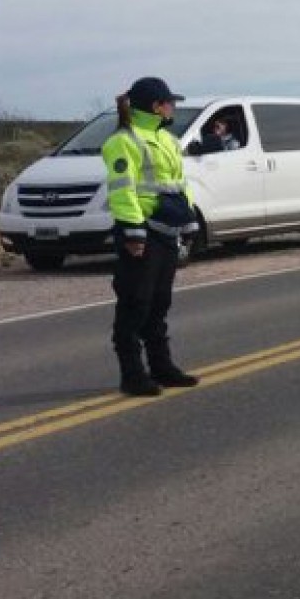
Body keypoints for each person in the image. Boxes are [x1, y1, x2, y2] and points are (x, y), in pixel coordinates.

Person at [103, 77, 201, 397]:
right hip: (141, 232)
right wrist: (133, 231)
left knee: (159, 303)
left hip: (167, 231)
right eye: (170, 102)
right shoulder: (123, 141)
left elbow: (179, 184)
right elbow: (122, 190)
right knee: (135, 304)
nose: (173, 107)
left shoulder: (169, 140)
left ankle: (162, 367)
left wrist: (188, 220)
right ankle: (132, 375)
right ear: (157, 106)